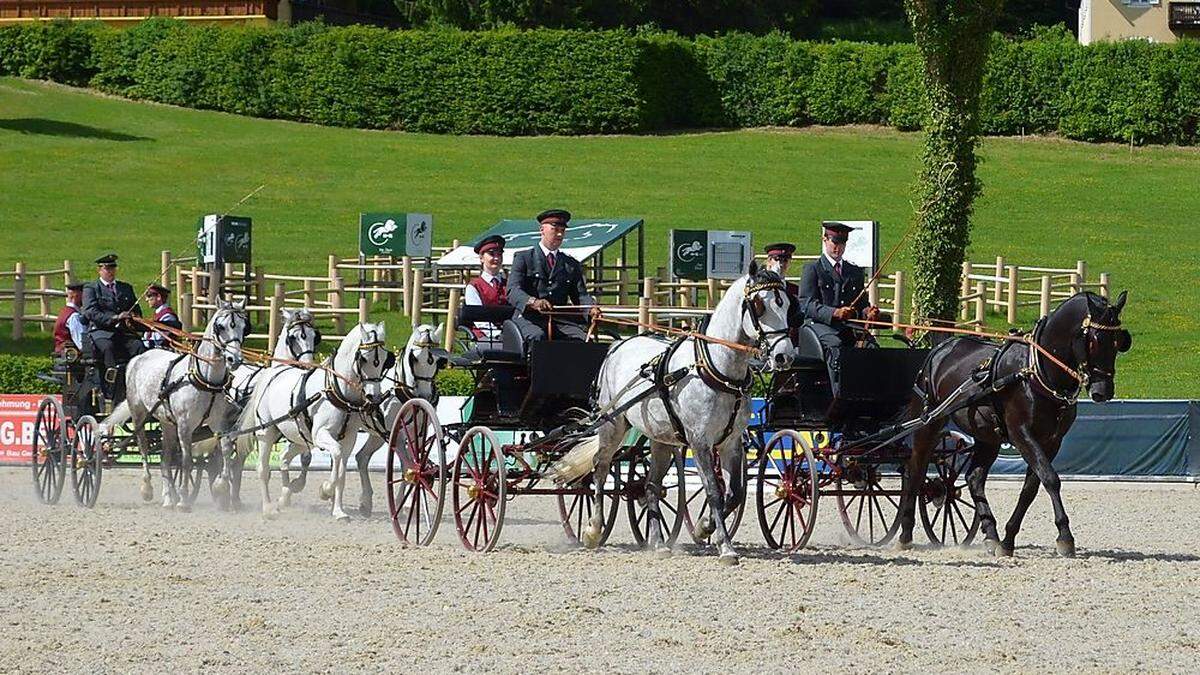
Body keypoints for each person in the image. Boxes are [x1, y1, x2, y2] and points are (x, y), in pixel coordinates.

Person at [506, 209, 600, 345]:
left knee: (583, 339)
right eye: (555, 229)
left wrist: (591, 308)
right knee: (538, 337)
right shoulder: (524, 258)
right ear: (542, 230)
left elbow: (580, 295)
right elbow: (513, 291)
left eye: (562, 230)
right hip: (529, 319)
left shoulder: (571, 264)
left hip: (559, 320)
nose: (560, 234)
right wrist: (533, 302)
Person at [797, 223, 886, 364]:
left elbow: (861, 305)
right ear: (824, 239)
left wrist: (868, 312)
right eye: (834, 242)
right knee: (836, 347)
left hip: (849, 328)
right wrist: (834, 312)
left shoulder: (854, 272)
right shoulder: (813, 269)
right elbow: (806, 305)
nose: (838, 247)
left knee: (871, 347)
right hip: (820, 326)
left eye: (842, 242)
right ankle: (838, 387)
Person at [81, 254, 144, 399]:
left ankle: (139, 380)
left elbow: (137, 310)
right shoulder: (91, 288)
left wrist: (132, 316)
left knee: (138, 346)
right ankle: (111, 384)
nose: (110, 271)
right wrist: (115, 318)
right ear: (100, 270)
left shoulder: (126, 288)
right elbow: (91, 312)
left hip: (123, 332)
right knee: (108, 347)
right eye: (106, 268)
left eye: (112, 268)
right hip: (101, 332)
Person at [463, 234, 508, 349]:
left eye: (499, 254)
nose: (496, 258)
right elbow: (479, 319)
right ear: (482, 258)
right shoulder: (474, 287)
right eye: (492, 254)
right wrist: (498, 335)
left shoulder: (509, 284)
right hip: (485, 336)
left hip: (510, 333)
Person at [763, 242, 803, 330]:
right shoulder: (761, 290)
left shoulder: (795, 291)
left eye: (785, 260)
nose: (781, 264)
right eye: (776, 260)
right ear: (769, 261)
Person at [142, 283, 183, 350]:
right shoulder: (157, 314)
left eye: (149, 296)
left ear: (158, 297)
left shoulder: (168, 316)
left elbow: (158, 340)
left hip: (163, 352)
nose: (146, 300)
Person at [52, 282, 88, 356]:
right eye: (84, 295)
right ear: (76, 296)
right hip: (71, 355)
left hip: (62, 352)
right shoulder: (74, 316)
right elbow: (81, 343)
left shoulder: (65, 311)